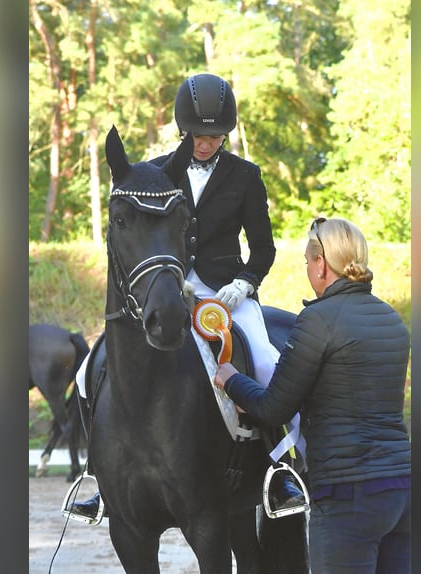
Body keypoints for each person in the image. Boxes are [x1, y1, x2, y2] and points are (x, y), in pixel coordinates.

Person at [70, 73, 304, 522]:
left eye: (216, 137)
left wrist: (245, 283)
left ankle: (280, 470)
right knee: (86, 373)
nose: (207, 144)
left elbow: (264, 248)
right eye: (200, 136)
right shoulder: (157, 172)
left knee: (269, 361)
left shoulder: (245, 176)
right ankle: (98, 477)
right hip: (166, 288)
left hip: (225, 294)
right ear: (184, 129)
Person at [214, 217, 412, 573]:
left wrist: (231, 379)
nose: (307, 268)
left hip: (347, 494)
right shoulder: (391, 320)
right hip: (401, 491)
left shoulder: (318, 320)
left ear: (321, 264)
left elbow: (272, 407)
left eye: (307, 260)